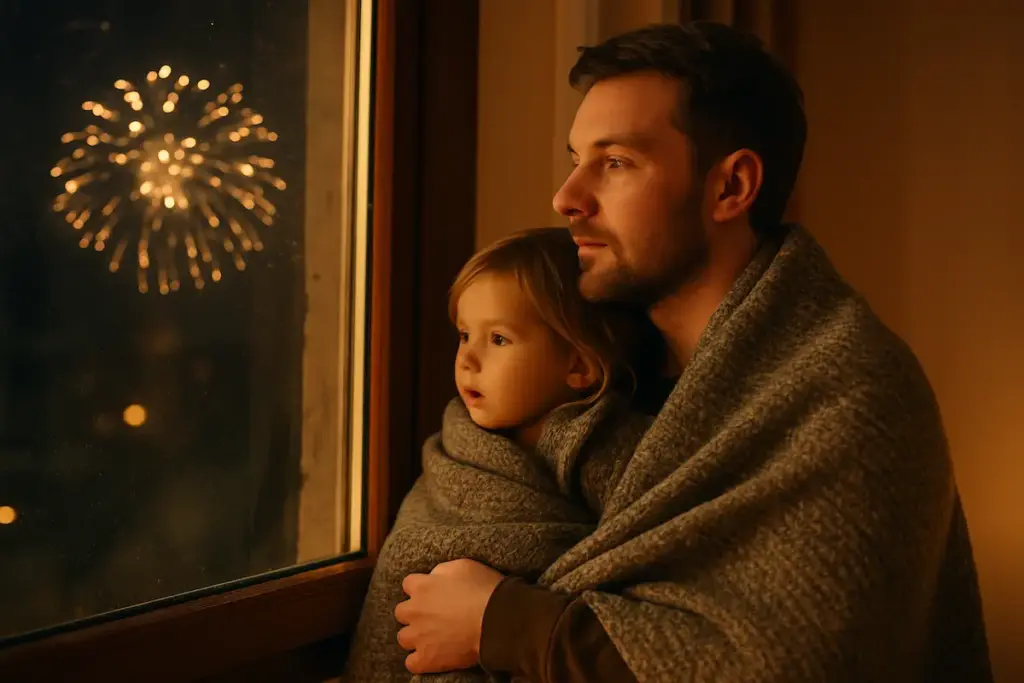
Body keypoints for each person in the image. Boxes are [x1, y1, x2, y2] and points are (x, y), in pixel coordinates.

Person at [392, 21, 994, 683]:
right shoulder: (590, 365)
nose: (566, 198)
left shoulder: (852, 390)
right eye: (575, 159)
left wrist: (501, 623)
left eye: (615, 162)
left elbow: (798, 663)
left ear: (731, 187)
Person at [341, 227, 658, 682]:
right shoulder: (456, 457)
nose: (468, 359)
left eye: (499, 340)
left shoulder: (627, 456)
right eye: (464, 334)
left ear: (578, 365)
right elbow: (408, 559)